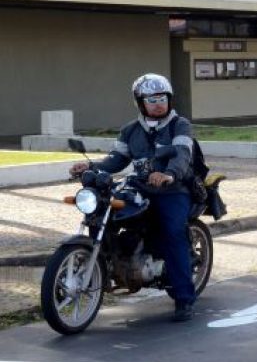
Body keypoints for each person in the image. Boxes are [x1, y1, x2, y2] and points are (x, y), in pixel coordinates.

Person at [69, 73, 198, 321]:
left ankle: (184, 298)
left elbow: (182, 154)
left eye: (162, 98)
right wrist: (90, 167)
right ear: (140, 102)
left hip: (173, 189)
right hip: (140, 187)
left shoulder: (179, 125)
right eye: (151, 99)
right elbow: (116, 160)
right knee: (104, 214)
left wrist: (169, 174)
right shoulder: (130, 130)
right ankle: (109, 265)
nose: (158, 103)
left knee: (173, 232)